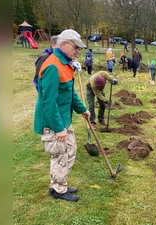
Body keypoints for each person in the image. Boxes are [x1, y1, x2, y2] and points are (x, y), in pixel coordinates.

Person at [34, 29, 90, 202]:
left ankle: (56, 184)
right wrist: (58, 129)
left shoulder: (65, 64)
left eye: (80, 48)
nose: (78, 51)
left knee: (70, 150)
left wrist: (83, 109)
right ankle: (59, 189)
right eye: (75, 47)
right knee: (60, 154)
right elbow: (48, 103)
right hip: (53, 122)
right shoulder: (52, 66)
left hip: (64, 118)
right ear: (63, 44)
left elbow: (69, 92)